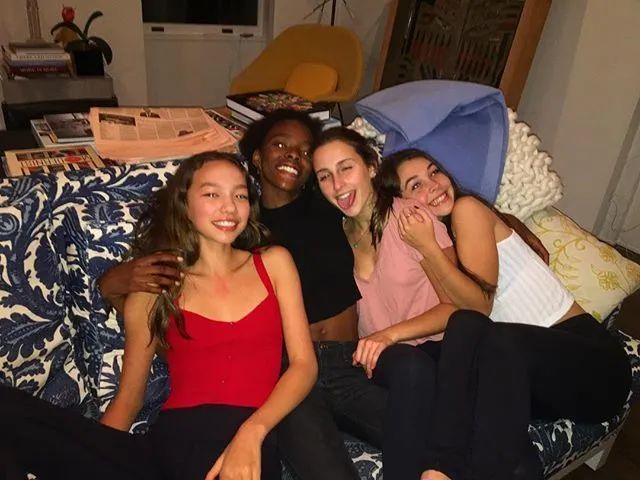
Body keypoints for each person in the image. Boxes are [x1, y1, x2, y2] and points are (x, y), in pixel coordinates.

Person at [0, 151, 317, 480]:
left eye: (240, 195)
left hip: (245, 449)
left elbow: (304, 366)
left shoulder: (274, 263)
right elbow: (129, 400)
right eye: (212, 194)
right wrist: (95, 452)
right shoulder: (156, 286)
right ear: (185, 205)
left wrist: (253, 431)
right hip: (168, 446)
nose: (229, 207)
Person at [374, 148, 632, 480]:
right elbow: (455, 309)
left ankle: (441, 468)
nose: (433, 184)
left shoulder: (468, 210)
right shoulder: (445, 242)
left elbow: (479, 307)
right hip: (541, 382)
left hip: (594, 368)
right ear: (401, 204)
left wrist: (427, 248)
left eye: (434, 171)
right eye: (416, 185)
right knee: (472, 387)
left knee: (479, 333)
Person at [239, 110, 387, 480]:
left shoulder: (328, 203)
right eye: (280, 145)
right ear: (256, 156)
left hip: (349, 361)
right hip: (289, 373)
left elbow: (386, 192)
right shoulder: (242, 229)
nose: (293, 155)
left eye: (305, 151)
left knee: (431, 441)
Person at [311, 127, 457, 480]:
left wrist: (388, 335)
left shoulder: (411, 217)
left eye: (346, 168)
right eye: (325, 176)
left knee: (413, 370)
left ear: (372, 167)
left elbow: (456, 307)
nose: (337, 185)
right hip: (382, 366)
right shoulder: (333, 235)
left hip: (436, 352)